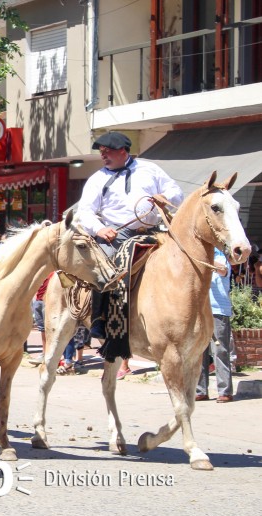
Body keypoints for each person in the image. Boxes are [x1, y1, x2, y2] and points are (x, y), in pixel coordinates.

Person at [77, 131, 183, 378]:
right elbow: (85, 211)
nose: (103, 156)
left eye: (107, 152)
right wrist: (101, 229)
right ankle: (99, 321)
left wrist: (165, 198)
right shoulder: (97, 179)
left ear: (123, 151)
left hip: (154, 231)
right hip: (117, 235)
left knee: (183, 262)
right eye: (101, 152)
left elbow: (176, 192)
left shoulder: (150, 170)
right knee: (103, 269)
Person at [196, 248, 234, 403]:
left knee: (220, 351)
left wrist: (204, 258)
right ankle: (200, 390)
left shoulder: (220, 257)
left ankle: (225, 391)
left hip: (218, 310)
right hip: (201, 310)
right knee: (200, 352)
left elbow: (223, 270)